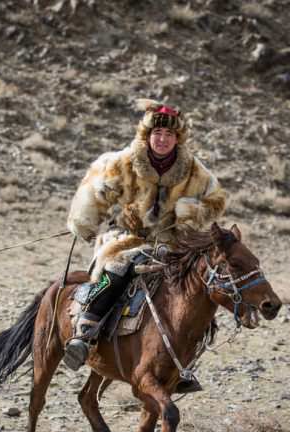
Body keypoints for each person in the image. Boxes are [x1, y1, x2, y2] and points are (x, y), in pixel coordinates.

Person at [63, 99, 227, 371]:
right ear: (147, 135)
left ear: (178, 138)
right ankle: (85, 333)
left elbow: (216, 201)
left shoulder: (195, 171)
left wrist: (188, 212)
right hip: (127, 237)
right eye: (157, 133)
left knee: (192, 288)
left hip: (170, 243)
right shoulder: (121, 162)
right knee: (116, 271)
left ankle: (183, 360)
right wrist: (86, 222)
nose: (162, 139)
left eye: (169, 135)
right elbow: (95, 193)